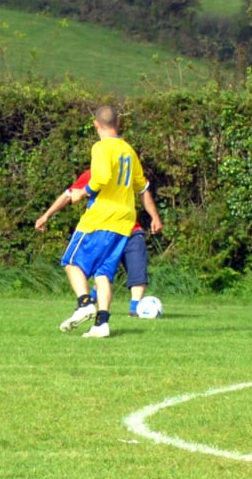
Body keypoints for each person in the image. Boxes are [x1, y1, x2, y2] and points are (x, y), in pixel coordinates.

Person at [41, 104, 141, 339]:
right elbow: (138, 183)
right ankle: (102, 323)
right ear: (118, 124)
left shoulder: (101, 147)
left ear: (96, 124)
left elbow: (102, 177)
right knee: (103, 272)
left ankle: (84, 303)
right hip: (124, 220)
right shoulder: (128, 150)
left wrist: (82, 192)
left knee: (71, 261)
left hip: (100, 218)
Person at [36, 162, 164, 317]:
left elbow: (144, 191)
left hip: (131, 230)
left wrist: (155, 216)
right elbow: (68, 195)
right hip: (105, 232)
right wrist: (46, 215)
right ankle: (90, 302)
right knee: (100, 270)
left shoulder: (127, 175)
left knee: (137, 267)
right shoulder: (93, 174)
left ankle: (135, 308)